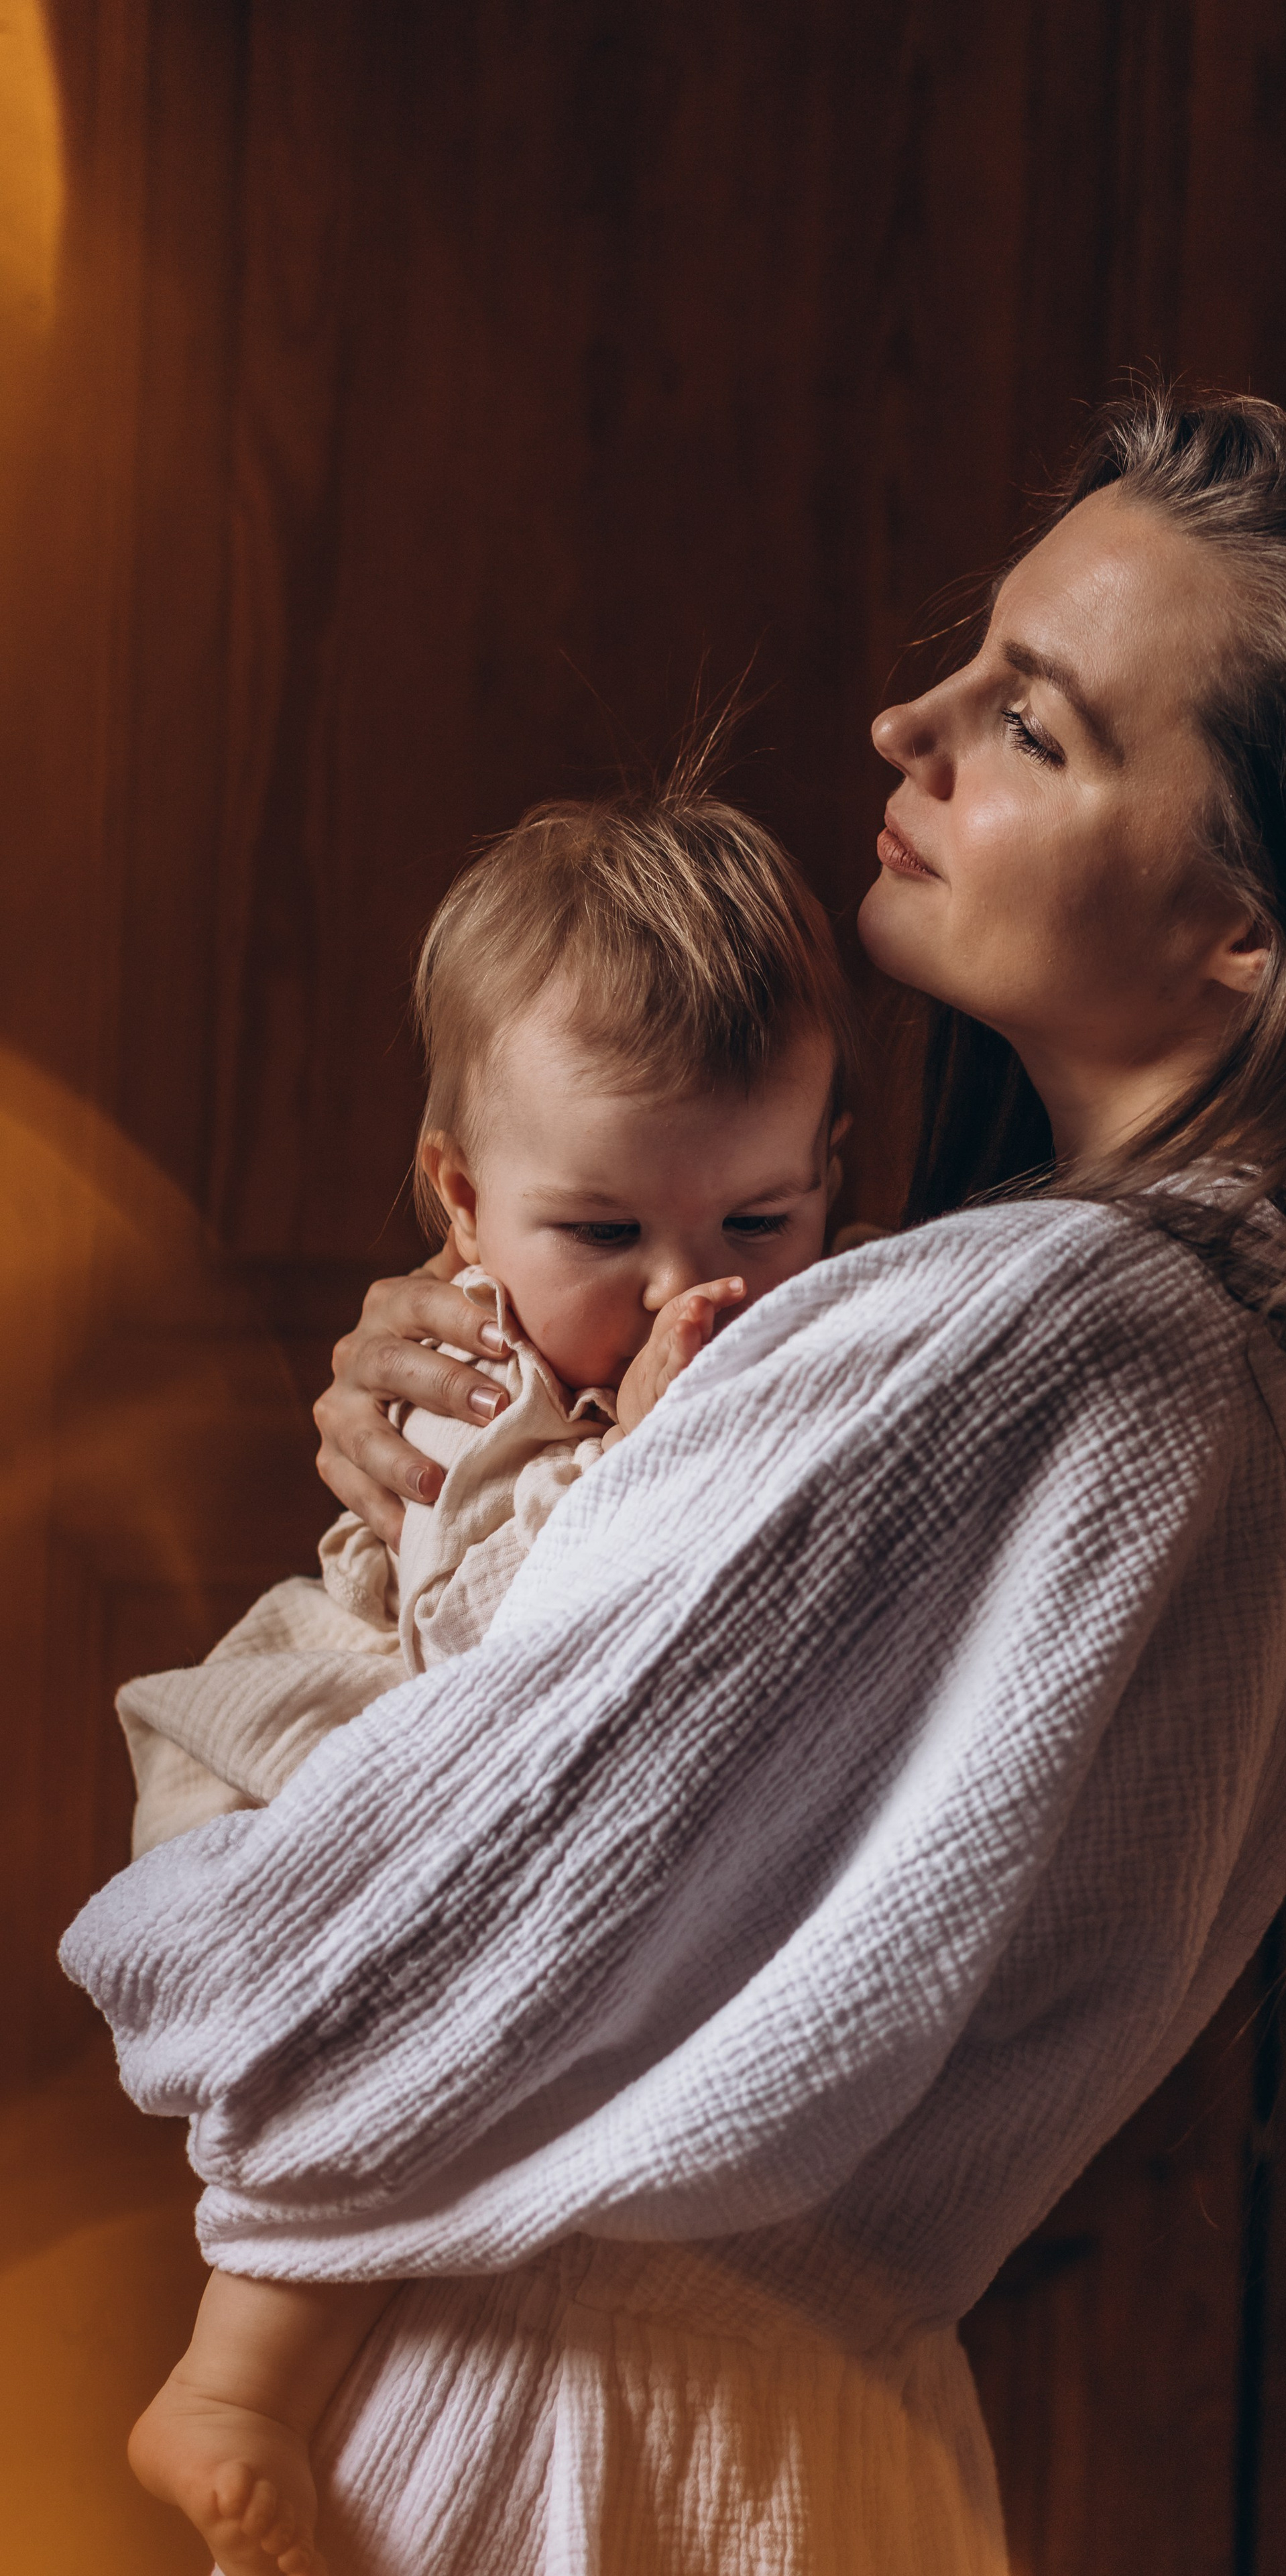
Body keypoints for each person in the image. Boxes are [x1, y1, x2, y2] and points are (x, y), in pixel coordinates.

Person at [63, 388, 1286, 2576]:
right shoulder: (1253, 1351)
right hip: (741, 2427)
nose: (907, 723)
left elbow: (301, 2005)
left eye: (1037, 724)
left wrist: (247, 1797)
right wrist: (469, 1472)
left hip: (568, 2449)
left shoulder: (1045, 1335)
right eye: (964, 662)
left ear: (1260, 930)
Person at [113, 785, 855, 2576]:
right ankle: (229, 2381)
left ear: (834, 1177)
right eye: (605, 1235)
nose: (698, 1290)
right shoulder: (469, 1376)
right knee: (373, 2080)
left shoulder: (809, 1345)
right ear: (464, 1198)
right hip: (353, 1754)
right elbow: (519, 1636)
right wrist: (652, 1466)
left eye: (761, 1219)